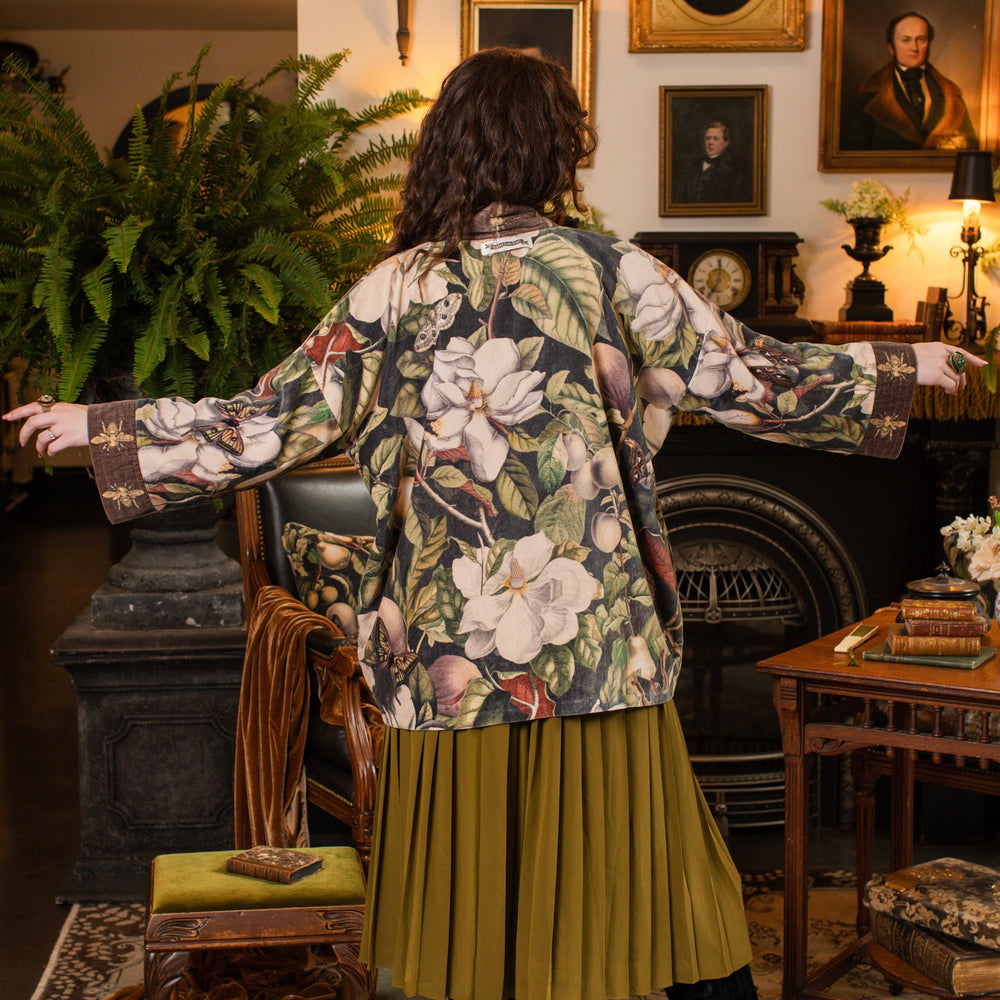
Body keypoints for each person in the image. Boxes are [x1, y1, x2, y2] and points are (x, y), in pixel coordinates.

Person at [4, 47, 983, 1000]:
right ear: (554, 150)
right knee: (669, 879)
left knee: (459, 909)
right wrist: (898, 367)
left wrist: (103, 428)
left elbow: (266, 419)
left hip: (448, 649)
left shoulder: (392, 288)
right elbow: (748, 377)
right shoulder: (606, 270)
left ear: (448, 145)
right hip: (594, 640)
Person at [841, 10, 978, 151]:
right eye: (906, 40)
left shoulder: (952, 97)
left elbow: (970, 150)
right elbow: (853, 154)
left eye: (921, 40)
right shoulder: (868, 96)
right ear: (891, 47)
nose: (914, 48)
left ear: (929, 44)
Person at [675, 120, 752, 204]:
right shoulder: (693, 166)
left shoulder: (735, 170)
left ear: (726, 143)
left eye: (716, 139)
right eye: (708, 138)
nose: (710, 142)